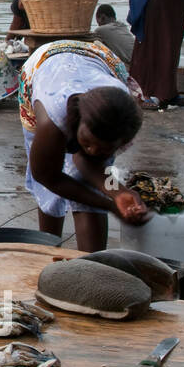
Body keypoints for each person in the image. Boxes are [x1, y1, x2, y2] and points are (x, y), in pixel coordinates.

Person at [18, 40, 149, 252]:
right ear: (79, 122)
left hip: (95, 60)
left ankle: (94, 267)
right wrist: (109, 205)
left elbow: (90, 166)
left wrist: (119, 194)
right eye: (86, 142)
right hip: (45, 64)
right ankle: (48, 252)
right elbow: (47, 176)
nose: (92, 151)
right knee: (49, 194)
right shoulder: (52, 119)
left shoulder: (121, 118)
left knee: (87, 188)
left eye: (104, 148)